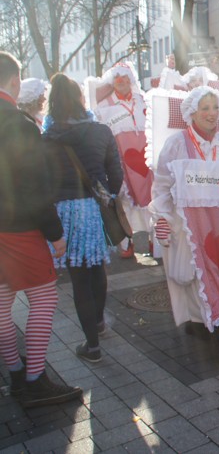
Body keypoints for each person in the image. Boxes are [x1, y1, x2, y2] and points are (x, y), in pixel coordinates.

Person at [150, 86, 219, 364]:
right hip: (190, 226)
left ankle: (217, 326)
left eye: (215, 108)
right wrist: (162, 217)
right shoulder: (177, 144)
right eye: (205, 108)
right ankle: (210, 329)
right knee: (197, 276)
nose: (212, 114)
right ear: (192, 113)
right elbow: (162, 184)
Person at [0, 53, 82, 407]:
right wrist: (55, 233)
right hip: (18, 227)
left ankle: (17, 372)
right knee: (44, 298)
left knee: (2, 303)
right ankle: (34, 379)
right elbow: (33, 185)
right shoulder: (18, 124)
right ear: (15, 82)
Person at [43, 74, 123, 363]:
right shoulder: (101, 131)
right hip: (95, 210)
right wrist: (106, 195)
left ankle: (92, 346)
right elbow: (116, 174)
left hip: (64, 211)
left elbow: (44, 180)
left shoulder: (47, 139)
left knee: (79, 279)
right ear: (80, 99)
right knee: (98, 267)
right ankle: (99, 323)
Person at [91, 63, 152, 258]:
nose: (123, 83)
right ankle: (133, 244)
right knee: (126, 203)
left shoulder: (143, 100)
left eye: (126, 79)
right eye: (118, 80)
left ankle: (152, 242)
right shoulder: (104, 107)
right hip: (120, 162)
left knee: (150, 200)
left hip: (145, 159)